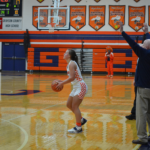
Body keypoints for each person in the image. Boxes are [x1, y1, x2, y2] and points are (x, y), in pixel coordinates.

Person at [120, 22, 150, 145]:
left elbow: (131, 43)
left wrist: (122, 31)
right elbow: (147, 42)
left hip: (143, 88)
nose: (141, 45)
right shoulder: (147, 52)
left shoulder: (143, 53)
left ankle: (142, 137)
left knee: (141, 114)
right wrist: (146, 32)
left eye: (142, 44)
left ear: (145, 47)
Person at [56, 49, 88, 133]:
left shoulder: (72, 63)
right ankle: (81, 120)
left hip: (81, 86)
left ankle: (78, 128)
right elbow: (72, 78)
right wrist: (61, 82)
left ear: (69, 56)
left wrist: (62, 83)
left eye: (66, 52)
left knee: (74, 106)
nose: (64, 53)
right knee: (68, 104)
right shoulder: (69, 64)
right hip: (76, 87)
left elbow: (72, 78)